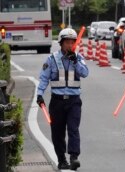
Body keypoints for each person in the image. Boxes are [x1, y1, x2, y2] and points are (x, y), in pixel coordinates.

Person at [36, 28, 89, 170]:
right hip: (57, 101)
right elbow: (43, 78)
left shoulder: (78, 58)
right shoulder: (51, 59)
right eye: (67, 42)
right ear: (61, 43)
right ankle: (61, 160)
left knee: (73, 129)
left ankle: (74, 157)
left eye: (72, 42)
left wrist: (76, 62)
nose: (70, 45)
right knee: (57, 132)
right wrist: (39, 94)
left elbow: (85, 73)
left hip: (74, 101)